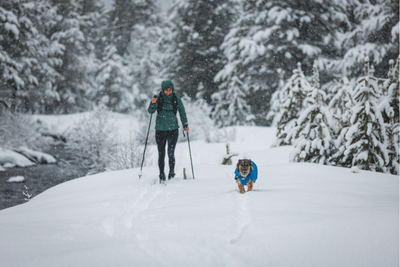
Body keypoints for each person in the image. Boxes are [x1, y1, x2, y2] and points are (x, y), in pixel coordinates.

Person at [148, 80, 189, 183]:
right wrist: (152, 103)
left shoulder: (176, 99)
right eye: (166, 90)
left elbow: (182, 112)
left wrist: (185, 124)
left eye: (170, 90)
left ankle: (171, 174)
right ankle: (161, 174)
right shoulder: (157, 98)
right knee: (161, 153)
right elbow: (151, 111)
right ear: (163, 90)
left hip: (173, 130)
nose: (168, 92)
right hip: (160, 130)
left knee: (171, 153)